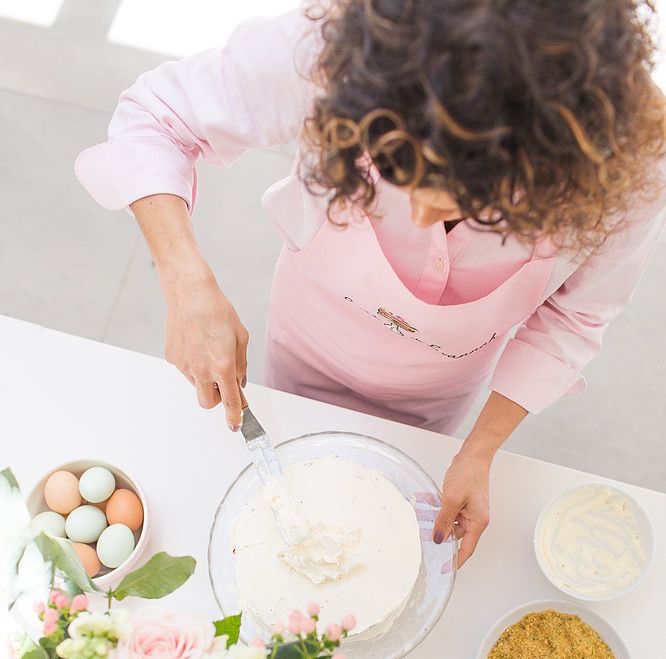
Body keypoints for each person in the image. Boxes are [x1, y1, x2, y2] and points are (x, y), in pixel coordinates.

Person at [75, 0, 665, 566]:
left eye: (478, 206)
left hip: (445, 386)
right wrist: (187, 285)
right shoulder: (340, 42)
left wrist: (479, 448)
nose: (427, 218)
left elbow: (576, 314)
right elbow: (156, 119)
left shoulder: (637, 152)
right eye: (398, 170)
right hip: (307, 333)